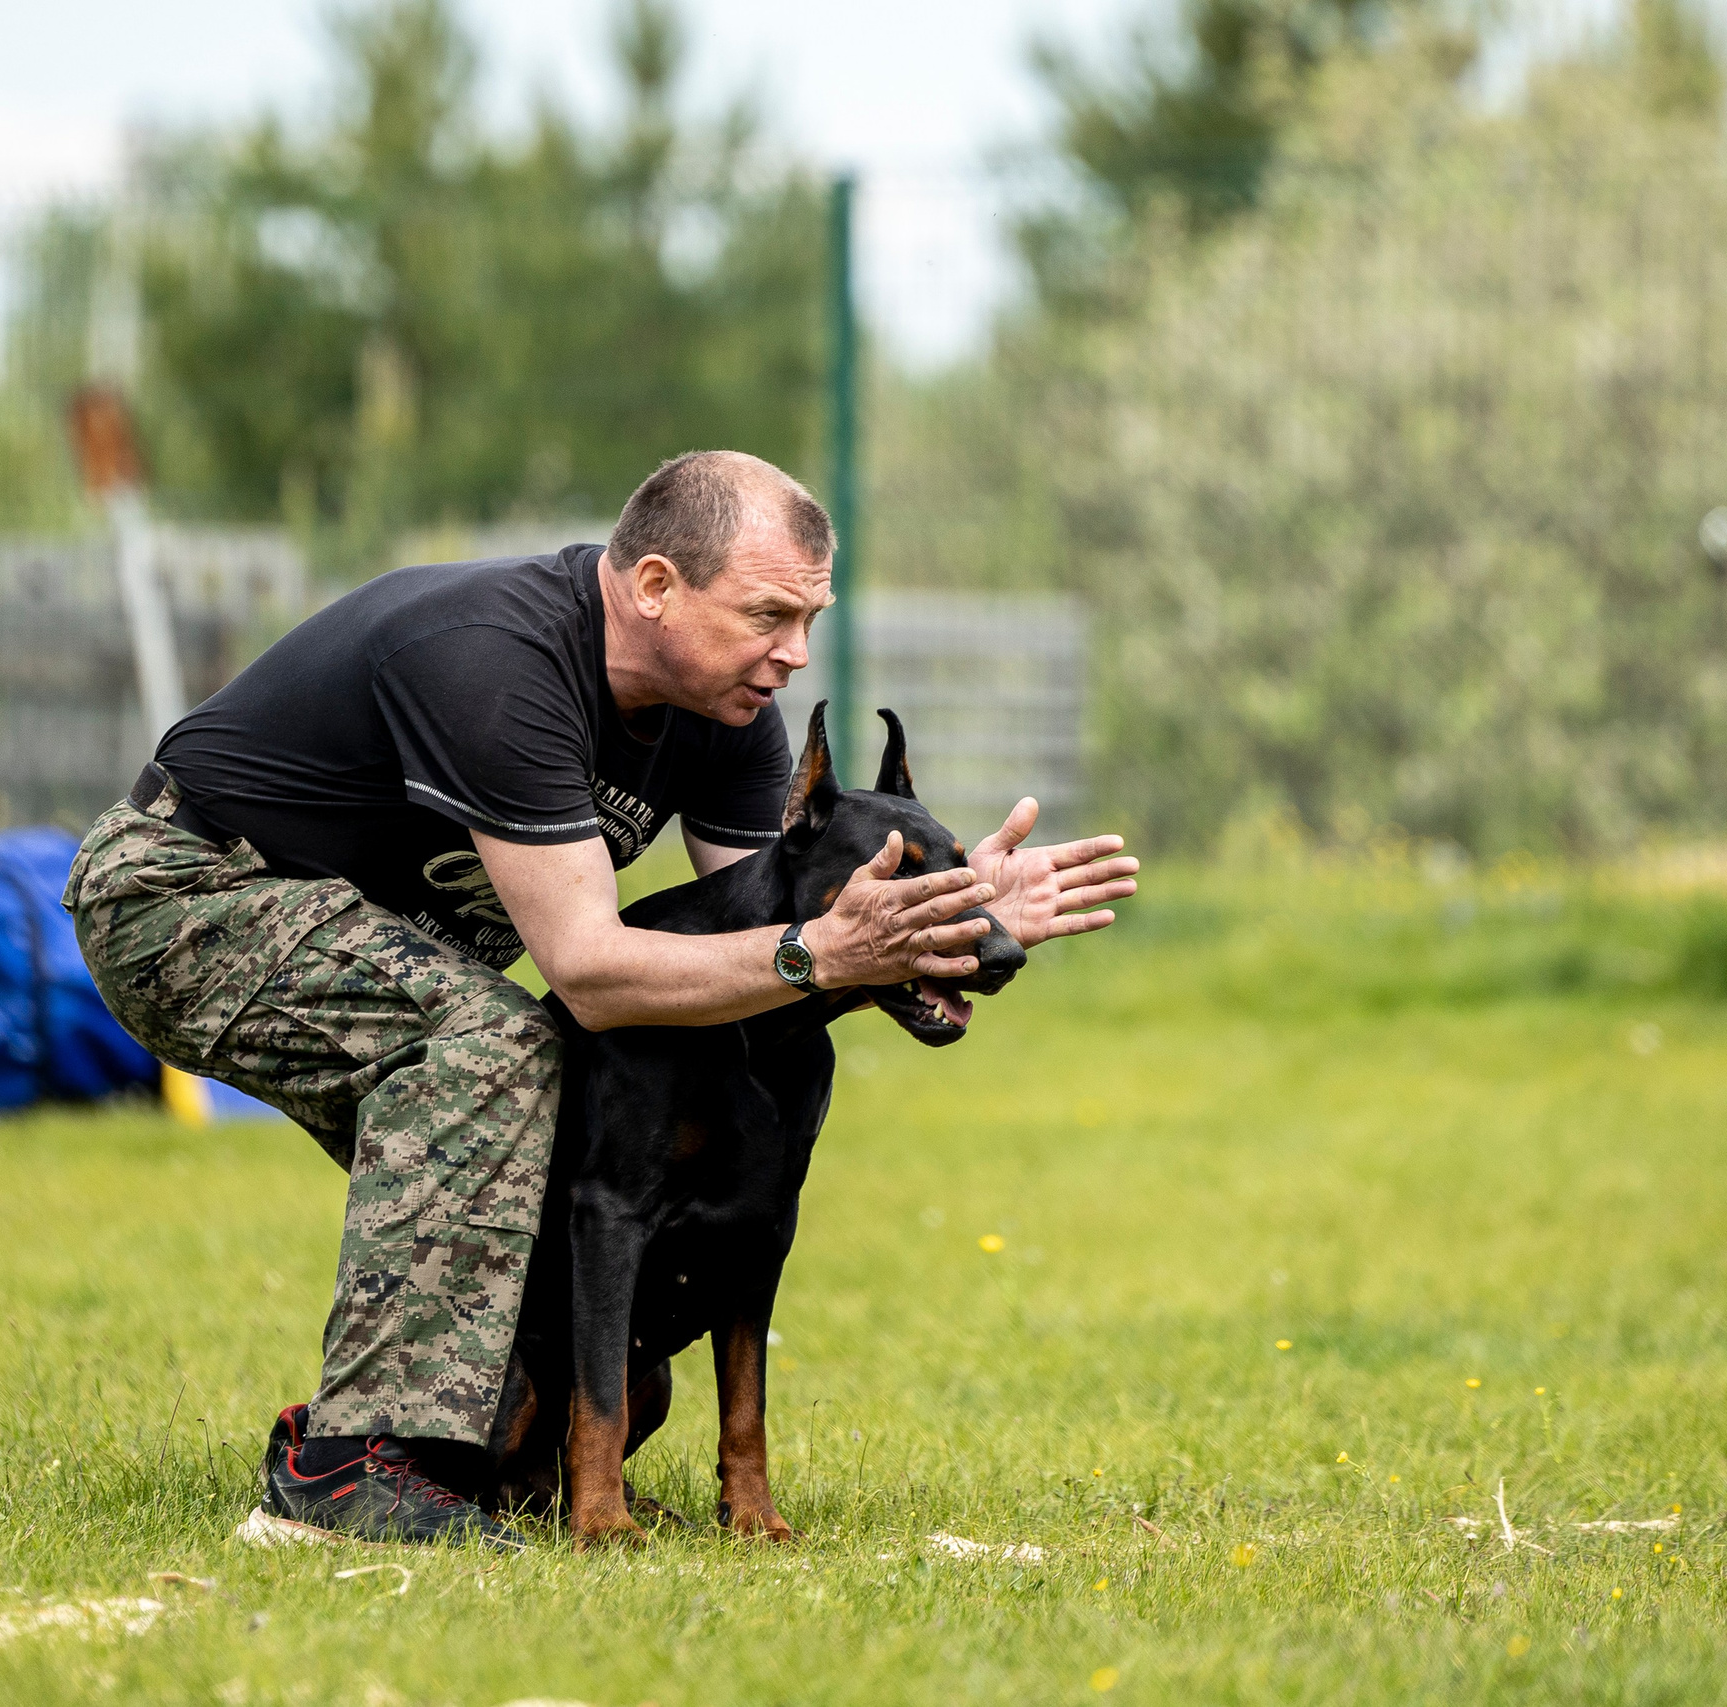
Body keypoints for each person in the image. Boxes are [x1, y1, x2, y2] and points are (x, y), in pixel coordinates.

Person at [63, 450, 1138, 1548]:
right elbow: (596, 968)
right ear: (656, 586)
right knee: (499, 1050)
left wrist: (939, 920)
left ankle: (498, 1467)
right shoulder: (501, 664)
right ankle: (346, 1474)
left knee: (561, 1148)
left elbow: (755, 936)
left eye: (808, 618)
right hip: (183, 894)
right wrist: (827, 950)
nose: (794, 654)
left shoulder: (726, 713)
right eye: (769, 613)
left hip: (361, 937)